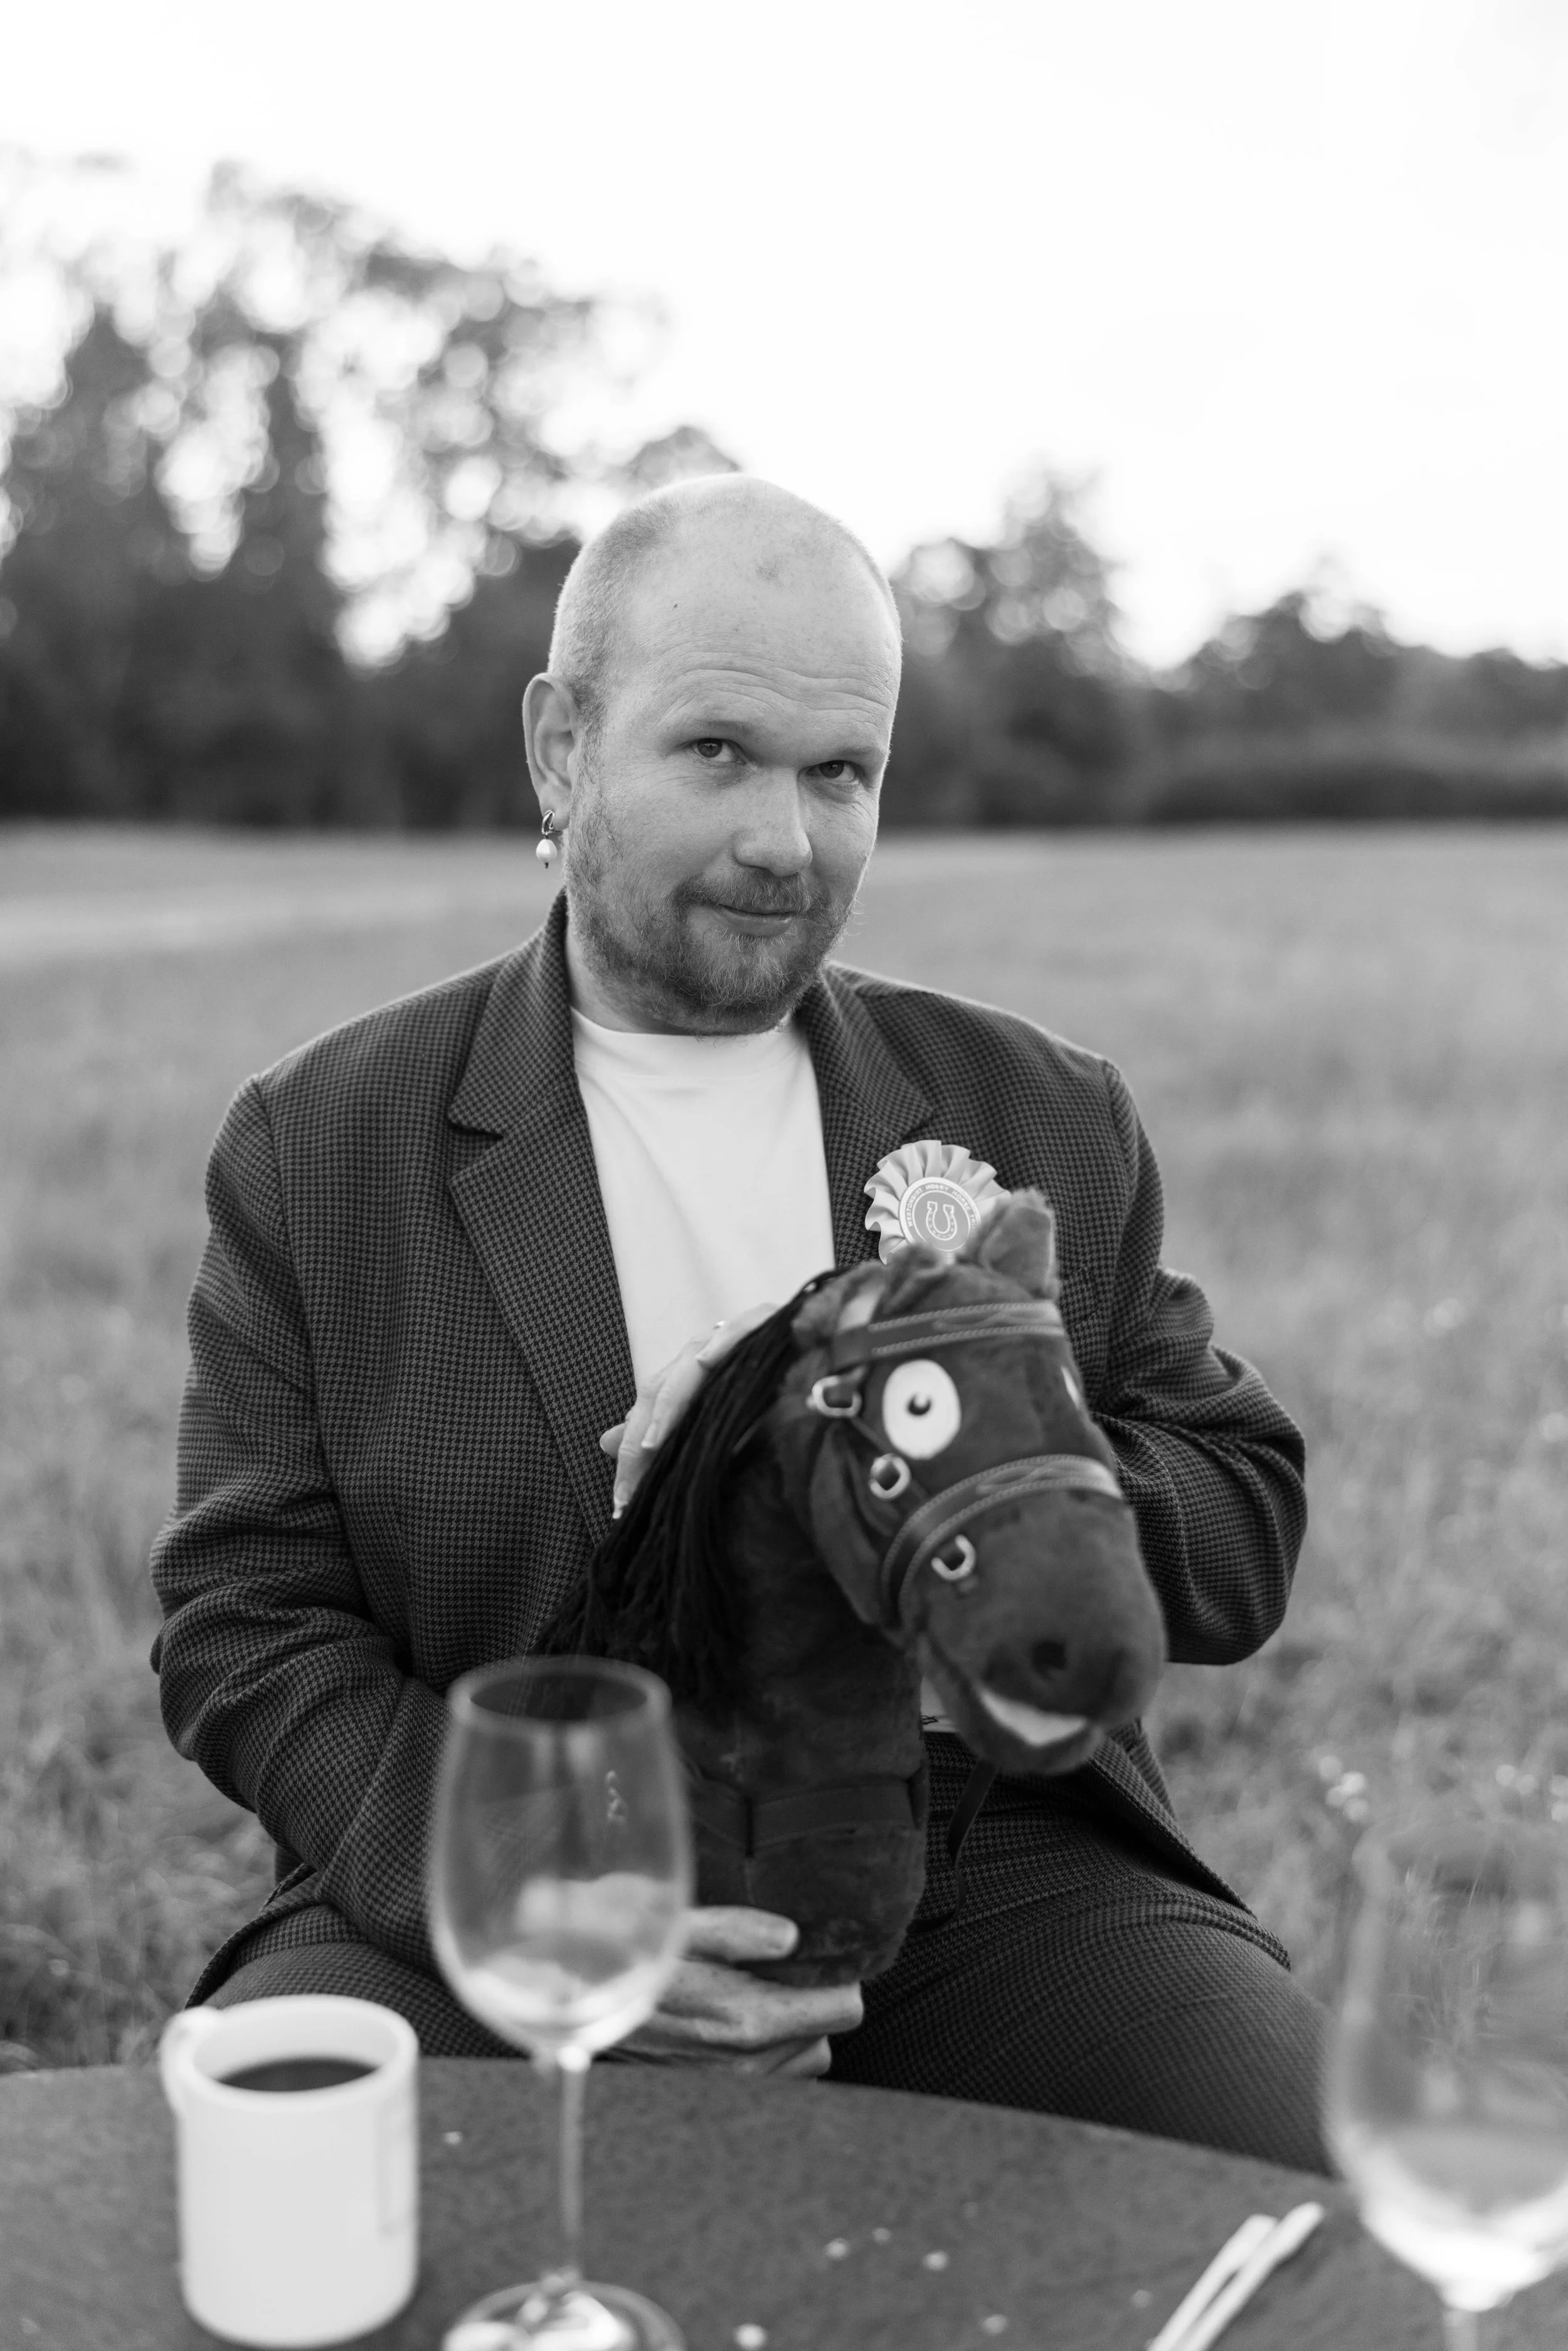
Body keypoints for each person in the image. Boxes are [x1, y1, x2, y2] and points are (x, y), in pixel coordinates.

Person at [150, 474, 1326, 2170]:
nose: (785, 838)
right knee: (265, 2189)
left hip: (985, 1865)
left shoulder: (1034, 1104)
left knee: (1293, 2210)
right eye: (716, 751)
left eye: (839, 772)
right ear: (562, 747)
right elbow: (240, 1620)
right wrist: (519, 1885)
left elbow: (1241, 1520)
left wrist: (971, 1450)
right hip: (512, 1856)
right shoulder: (325, 1136)